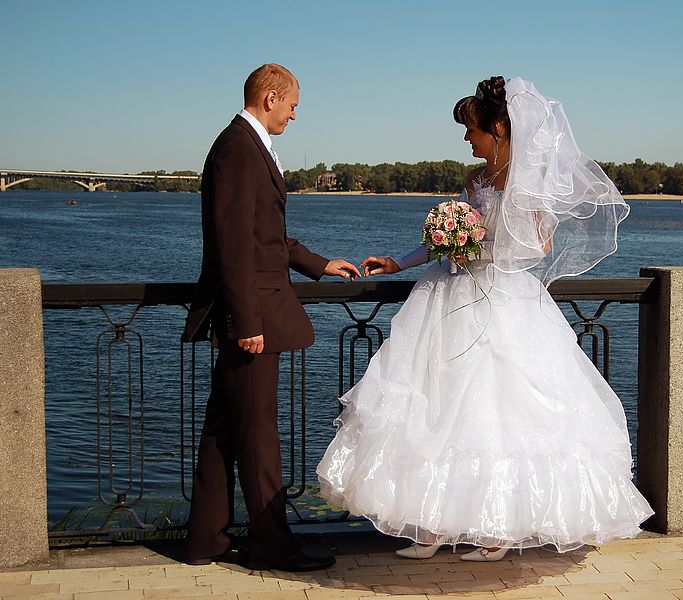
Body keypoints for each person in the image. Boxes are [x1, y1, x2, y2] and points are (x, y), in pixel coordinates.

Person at [316, 76, 653, 562]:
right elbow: (443, 242)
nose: (466, 139)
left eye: (471, 129)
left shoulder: (528, 182)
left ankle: (496, 533)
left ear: (497, 128)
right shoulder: (474, 181)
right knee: (434, 409)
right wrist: (401, 261)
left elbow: (541, 247)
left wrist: (488, 236)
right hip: (448, 296)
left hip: (505, 299)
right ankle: (429, 527)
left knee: (497, 416)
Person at [182, 63, 360, 571]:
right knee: (259, 436)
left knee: (222, 432)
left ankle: (204, 542)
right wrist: (247, 323)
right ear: (270, 96)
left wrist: (318, 264)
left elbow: (264, 237)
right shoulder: (239, 147)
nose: (294, 114)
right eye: (293, 104)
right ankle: (272, 546)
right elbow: (233, 244)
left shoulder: (242, 145)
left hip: (252, 310)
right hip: (252, 318)